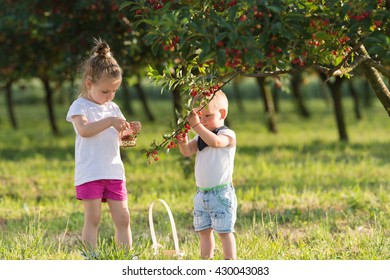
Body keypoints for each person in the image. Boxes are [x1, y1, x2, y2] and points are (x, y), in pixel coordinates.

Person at [66, 38, 141, 252]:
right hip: (90, 172)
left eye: (114, 91)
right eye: (105, 91)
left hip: (114, 171)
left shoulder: (113, 107)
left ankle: (125, 256)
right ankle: (91, 257)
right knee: (94, 218)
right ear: (89, 83)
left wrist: (128, 132)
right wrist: (109, 121)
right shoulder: (79, 106)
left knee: (123, 218)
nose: (109, 96)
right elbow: (85, 130)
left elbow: (121, 141)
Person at [177, 90, 237, 260]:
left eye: (207, 116)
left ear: (222, 114)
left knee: (224, 232)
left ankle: (230, 262)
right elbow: (188, 151)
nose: (202, 121)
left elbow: (216, 142)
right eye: (199, 117)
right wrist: (183, 142)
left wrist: (196, 126)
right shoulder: (200, 135)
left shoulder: (227, 134)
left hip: (221, 194)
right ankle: (205, 261)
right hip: (201, 194)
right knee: (203, 231)